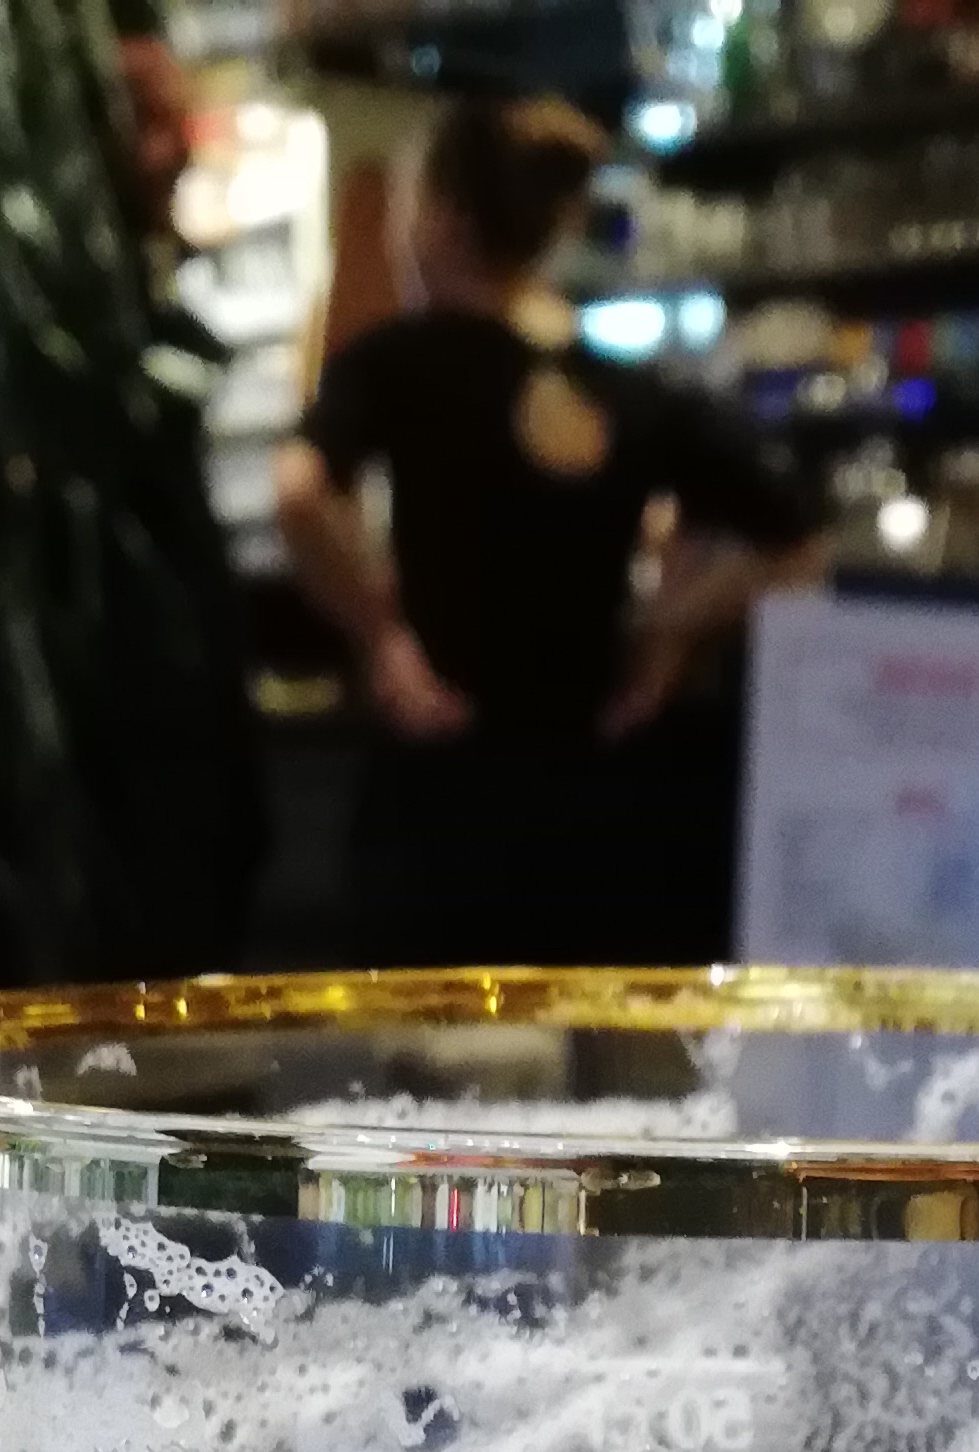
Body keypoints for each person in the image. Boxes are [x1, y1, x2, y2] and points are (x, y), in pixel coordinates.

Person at [273, 92, 825, 964]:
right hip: (598, 807)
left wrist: (381, 638)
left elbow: (299, 493)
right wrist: (670, 633)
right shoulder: (623, 389)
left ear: (443, 220)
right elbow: (801, 547)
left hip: (440, 800)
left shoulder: (396, 363)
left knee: (429, 1040)